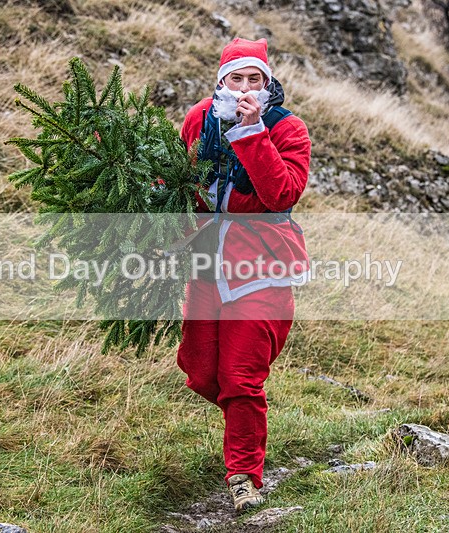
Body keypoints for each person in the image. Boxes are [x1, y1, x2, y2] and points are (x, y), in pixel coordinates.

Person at [175, 37, 311, 512]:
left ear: (267, 83)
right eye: (237, 78)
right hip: (206, 261)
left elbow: (281, 194)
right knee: (199, 370)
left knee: (241, 378)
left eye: (256, 79)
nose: (246, 87)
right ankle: (243, 417)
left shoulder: (288, 129)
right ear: (222, 81)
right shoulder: (199, 118)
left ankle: (244, 476)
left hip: (262, 267)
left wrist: (253, 131)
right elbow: (180, 180)